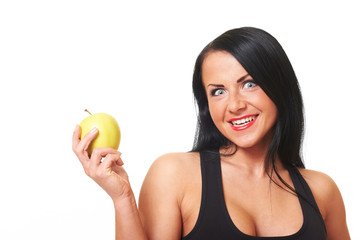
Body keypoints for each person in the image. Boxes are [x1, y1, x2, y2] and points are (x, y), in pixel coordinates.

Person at [72, 27, 350, 239]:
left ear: (279, 85)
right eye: (218, 91)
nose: (235, 105)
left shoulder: (321, 191)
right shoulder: (174, 174)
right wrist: (123, 200)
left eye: (249, 84)